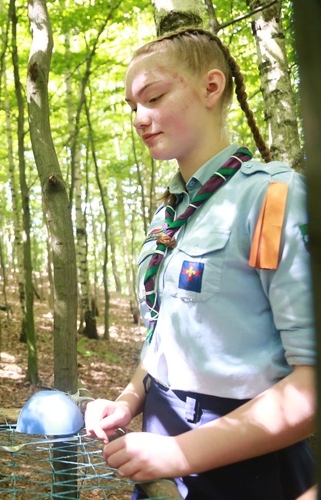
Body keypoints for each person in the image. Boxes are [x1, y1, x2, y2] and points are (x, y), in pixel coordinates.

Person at [83, 28, 315, 499]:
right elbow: (166, 339)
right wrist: (128, 401)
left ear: (212, 87)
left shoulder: (273, 198)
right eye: (132, 107)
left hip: (246, 468)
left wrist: (182, 454)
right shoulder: (170, 212)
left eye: (153, 96)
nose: (139, 118)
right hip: (160, 450)